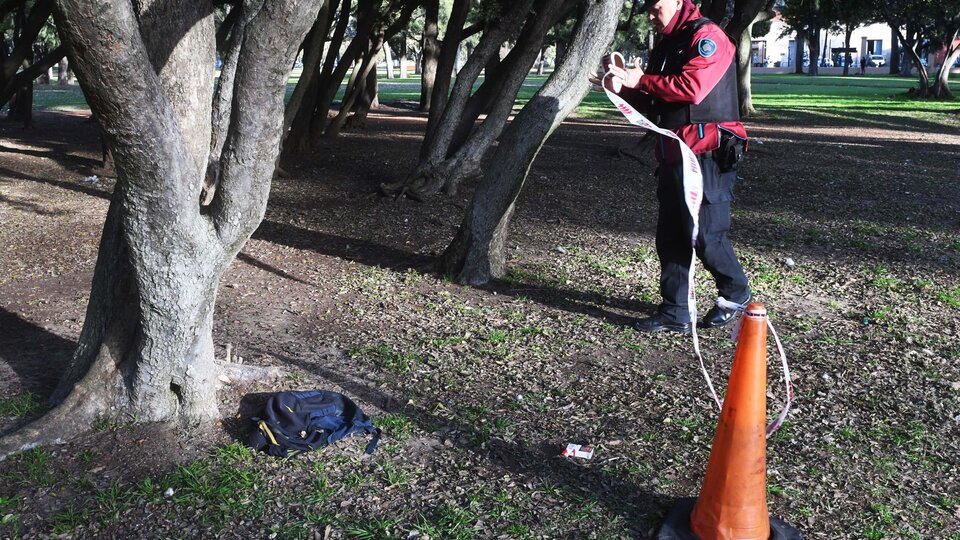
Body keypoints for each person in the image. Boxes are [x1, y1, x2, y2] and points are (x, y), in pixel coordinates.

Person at [600, 0, 751, 334]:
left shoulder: (708, 36)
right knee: (671, 236)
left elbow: (693, 88)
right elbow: (656, 101)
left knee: (707, 236)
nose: (651, 15)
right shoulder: (666, 44)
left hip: (708, 153)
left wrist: (640, 81)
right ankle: (676, 311)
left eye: (656, 7)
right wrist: (622, 87)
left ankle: (736, 293)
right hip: (672, 154)